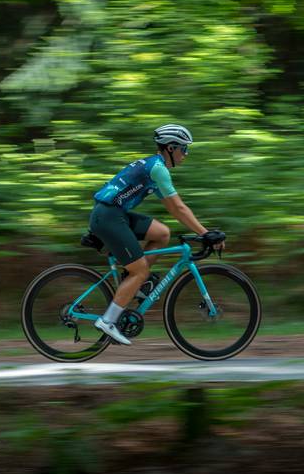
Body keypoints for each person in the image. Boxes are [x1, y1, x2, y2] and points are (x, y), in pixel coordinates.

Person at [89, 123, 224, 345]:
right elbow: (179, 208)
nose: (186, 154)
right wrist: (206, 233)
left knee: (162, 233)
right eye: (184, 149)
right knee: (140, 270)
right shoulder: (158, 169)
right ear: (170, 148)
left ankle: (135, 283)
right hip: (109, 217)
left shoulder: (153, 168)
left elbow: (172, 208)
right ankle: (109, 320)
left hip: (111, 214)